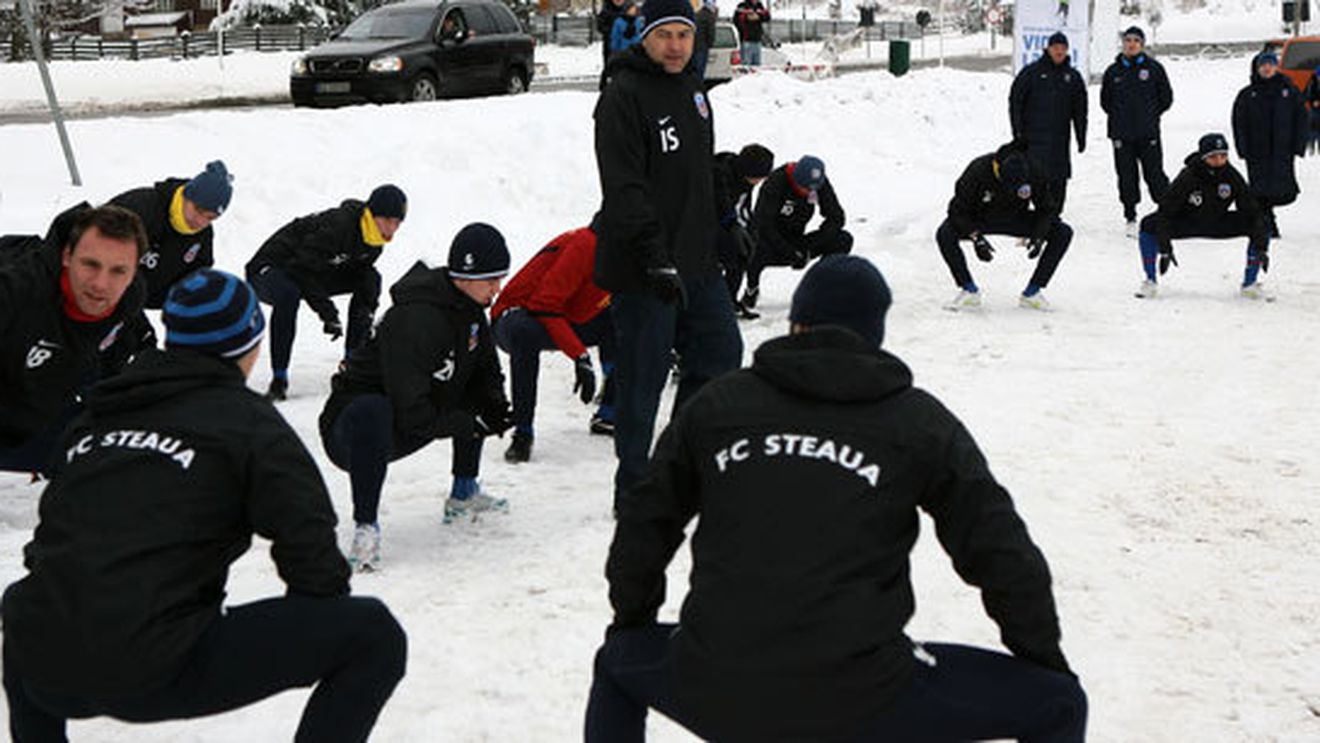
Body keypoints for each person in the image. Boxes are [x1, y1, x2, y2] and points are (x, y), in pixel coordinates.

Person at [584, 255, 1088, 742]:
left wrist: (634, 621)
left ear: (796, 323)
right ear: (874, 334)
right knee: (1058, 703)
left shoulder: (716, 405)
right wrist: (1041, 656)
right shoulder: (920, 423)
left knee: (617, 662)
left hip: (713, 682)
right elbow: (1000, 551)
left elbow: (643, 523)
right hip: (865, 701)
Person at [1, 268, 407, 743]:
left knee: (33, 607)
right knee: (373, 635)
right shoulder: (250, 425)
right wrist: (308, 631)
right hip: (153, 668)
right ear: (250, 345)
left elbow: (53, 543)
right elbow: (313, 558)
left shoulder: (95, 416)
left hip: (45, 673)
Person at [595, 0, 744, 508]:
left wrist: (724, 225)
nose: (677, 45)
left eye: (684, 34)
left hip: (698, 260)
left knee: (722, 354)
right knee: (643, 381)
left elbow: (701, 173)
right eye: (666, 35)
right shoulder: (623, 94)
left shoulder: (694, 89)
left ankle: (675, 459)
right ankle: (634, 487)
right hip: (644, 266)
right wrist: (653, 254)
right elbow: (623, 186)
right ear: (645, 36)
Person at [319, 223, 514, 572]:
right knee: (372, 410)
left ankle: (463, 492)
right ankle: (366, 529)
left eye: (500, 279)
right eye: (490, 281)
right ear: (463, 277)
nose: (497, 289)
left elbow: (487, 369)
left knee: (477, 393)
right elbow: (413, 414)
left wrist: (496, 408)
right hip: (351, 433)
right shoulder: (415, 320)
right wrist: (467, 423)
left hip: (412, 414)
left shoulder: (470, 309)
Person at [0, 205, 155, 477]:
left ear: (133, 273)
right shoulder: (15, 294)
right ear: (67, 256)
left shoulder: (129, 298)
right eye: (90, 264)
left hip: (46, 399)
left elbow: (117, 355)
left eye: (118, 271)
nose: (101, 283)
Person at [245, 184, 407, 401]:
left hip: (309, 270)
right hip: (270, 269)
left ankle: (353, 364)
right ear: (372, 214)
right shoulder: (339, 226)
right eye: (388, 220)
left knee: (369, 279)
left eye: (397, 223)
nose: (392, 228)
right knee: (289, 293)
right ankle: (279, 379)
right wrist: (327, 313)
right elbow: (300, 270)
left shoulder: (373, 242)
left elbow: (336, 274)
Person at [491, 222, 617, 464]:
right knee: (524, 333)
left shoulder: (628, 251)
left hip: (565, 315)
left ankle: (609, 413)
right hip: (520, 316)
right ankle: (523, 433)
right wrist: (580, 356)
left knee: (622, 319)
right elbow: (544, 305)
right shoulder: (586, 243)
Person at [1134, 133, 1272, 300]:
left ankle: (1249, 284)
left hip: (1218, 222)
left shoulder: (1231, 175)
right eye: (1214, 156)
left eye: (1223, 155)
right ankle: (1150, 281)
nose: (1219, 160)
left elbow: (1250, 209)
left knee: (1263, 224)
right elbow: (1165, 211)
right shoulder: (1188, 176)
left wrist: (1261, 246)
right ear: (1203, 157)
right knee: (1148, 225)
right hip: (1187, 222)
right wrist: (1165, 249)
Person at [937, 141, 1072, 311]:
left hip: (1015, 217)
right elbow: (957, 211)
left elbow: (1047, 210)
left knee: (1063, 232)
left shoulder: (1034, 170)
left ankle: (1032, 293)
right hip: (980, 218)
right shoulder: (978, 169)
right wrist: (975, 236)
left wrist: (1038, 236)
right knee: (945, 233)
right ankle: (969, 290)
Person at [108, 159, 232, 309]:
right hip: (100, 293)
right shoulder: (139, 207)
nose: (200, 222)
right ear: (187, 195)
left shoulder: (202, 235)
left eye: (211, 218)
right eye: (198, 210)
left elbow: (197, 275)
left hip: (135, 305)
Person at [741, 155, 852, 310]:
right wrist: (789, 252)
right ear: (795, 180)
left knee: (843, 239)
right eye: (805, 189)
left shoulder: (818, 183)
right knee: (753, 248)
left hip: (797, 239)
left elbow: (836, 217)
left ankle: (821, 287)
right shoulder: (776, 182)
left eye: (812, 190)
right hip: (770, 241)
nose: (809, 193)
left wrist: (810, 245)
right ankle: (751, 289)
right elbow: (763, 224)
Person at [1100, 25, 1173, 234]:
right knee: (1126, 176)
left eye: (1135, 41)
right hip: (1121, 135)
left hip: (1148, 133)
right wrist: (1120, 117)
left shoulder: (1154, 69)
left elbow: (1166, 98)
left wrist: (1149, 115)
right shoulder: (1113, 71)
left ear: (1142, 44)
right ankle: (1130, 215)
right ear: (1123, 44)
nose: (1131, 44)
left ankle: (1166, 213)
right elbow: (1106, 102)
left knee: (1155, 174)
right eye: (1127, 40)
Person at [1231, 51, 1309, 239]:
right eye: (1263, 65)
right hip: (1257, 150)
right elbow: (1239, 122)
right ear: (1257, 69)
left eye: (1271, 64)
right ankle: (1266, 222)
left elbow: (1301, 118)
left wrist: (1299, 144)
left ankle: (1266, 216)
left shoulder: (1289, 91)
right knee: (1259, 190)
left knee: (1283, 190)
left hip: (1282, 149)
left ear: (1276, 67)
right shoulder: (1247, 95)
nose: (1267, 68)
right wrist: (1242, 148)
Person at [1009, 32, 1087, 212]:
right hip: (1033, 140)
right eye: (1055, 47)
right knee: (1031, 179)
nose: (1059, 51)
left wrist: (1081, 135)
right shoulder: (1031, 73)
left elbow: (1080, 110)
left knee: (1058, 180)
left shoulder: (1073, 77)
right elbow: (1015, 102)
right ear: (1048, 49)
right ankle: (1027, 221)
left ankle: (1053, 219)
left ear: (1067, 50)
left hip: (1060, 140)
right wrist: (1017, 132)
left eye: (1062, 48)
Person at [712, 143, 774, 318]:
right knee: (734, 250)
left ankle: (729, 300)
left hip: (725, 223)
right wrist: (733, 227)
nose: (760, 182)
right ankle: (719, 303)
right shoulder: (720, 173)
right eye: (759, 177)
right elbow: (721, 206)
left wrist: (751, 231)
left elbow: (744, 208)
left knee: (743, 251)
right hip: (703, 226)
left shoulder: (745, 180)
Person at [732, 0, 770, 66]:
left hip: (757, 40)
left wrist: (759, 17)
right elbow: (736, 20)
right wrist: (747, 18)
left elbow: (767, 17)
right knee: (746, 65)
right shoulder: (742, 6)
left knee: (757, 66)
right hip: (746, 40)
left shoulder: (759, 5)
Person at [693, 0, 717, 80]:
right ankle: (698, 88)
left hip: (694, 46)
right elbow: (711, 32)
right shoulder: (709, 16)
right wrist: (710, 44)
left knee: (695, 71)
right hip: (702, 48)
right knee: (700, 71)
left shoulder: (697, 14)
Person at [1307, 67, 1320, 156]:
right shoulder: (1312, 83)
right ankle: (1311, 145)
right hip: (1313, 110)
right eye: (1318, 75)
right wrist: (1313, 102)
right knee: (1312, 128)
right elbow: (1308, 95)